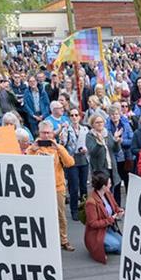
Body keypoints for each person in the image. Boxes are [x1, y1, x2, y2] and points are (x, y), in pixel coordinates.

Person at [28, 120, 77, 252]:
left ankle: (64, 240)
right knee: (41, 216)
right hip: (39, 188)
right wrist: (32, 150)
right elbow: (23, 163)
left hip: (57, 187)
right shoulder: (34, 147)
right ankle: (46, 240)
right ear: (39, 133)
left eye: (49, 133)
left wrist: (59, 148)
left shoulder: (58, 147)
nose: (46, 136)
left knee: (61, 215)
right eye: (44, 133)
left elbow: (70, 163)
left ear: (53, 133)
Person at [83, 171, 124, 264]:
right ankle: (96, 247)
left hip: (107, 228)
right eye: (109, 183)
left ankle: (104, 244)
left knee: (122, 247)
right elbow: (93, 223)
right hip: (96, 232)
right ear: (103, 187)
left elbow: (115, 206)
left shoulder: (107, 193)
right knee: (116, 245)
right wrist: (111, 219)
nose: (111, 185)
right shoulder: (91, 202)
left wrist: (119, 211)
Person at [86, 113, 122, 203]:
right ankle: (105, 213)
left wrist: (117, 141)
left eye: (101, 122)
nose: (100, 124)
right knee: (103, 193)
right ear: (92, 124)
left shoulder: (107, 133)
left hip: (112, 167)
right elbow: (93, 152)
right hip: (100, 169)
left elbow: (115, 150)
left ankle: (115, 211)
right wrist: (99, 143)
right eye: (97, 122)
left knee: (113, 189)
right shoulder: (90, 136)